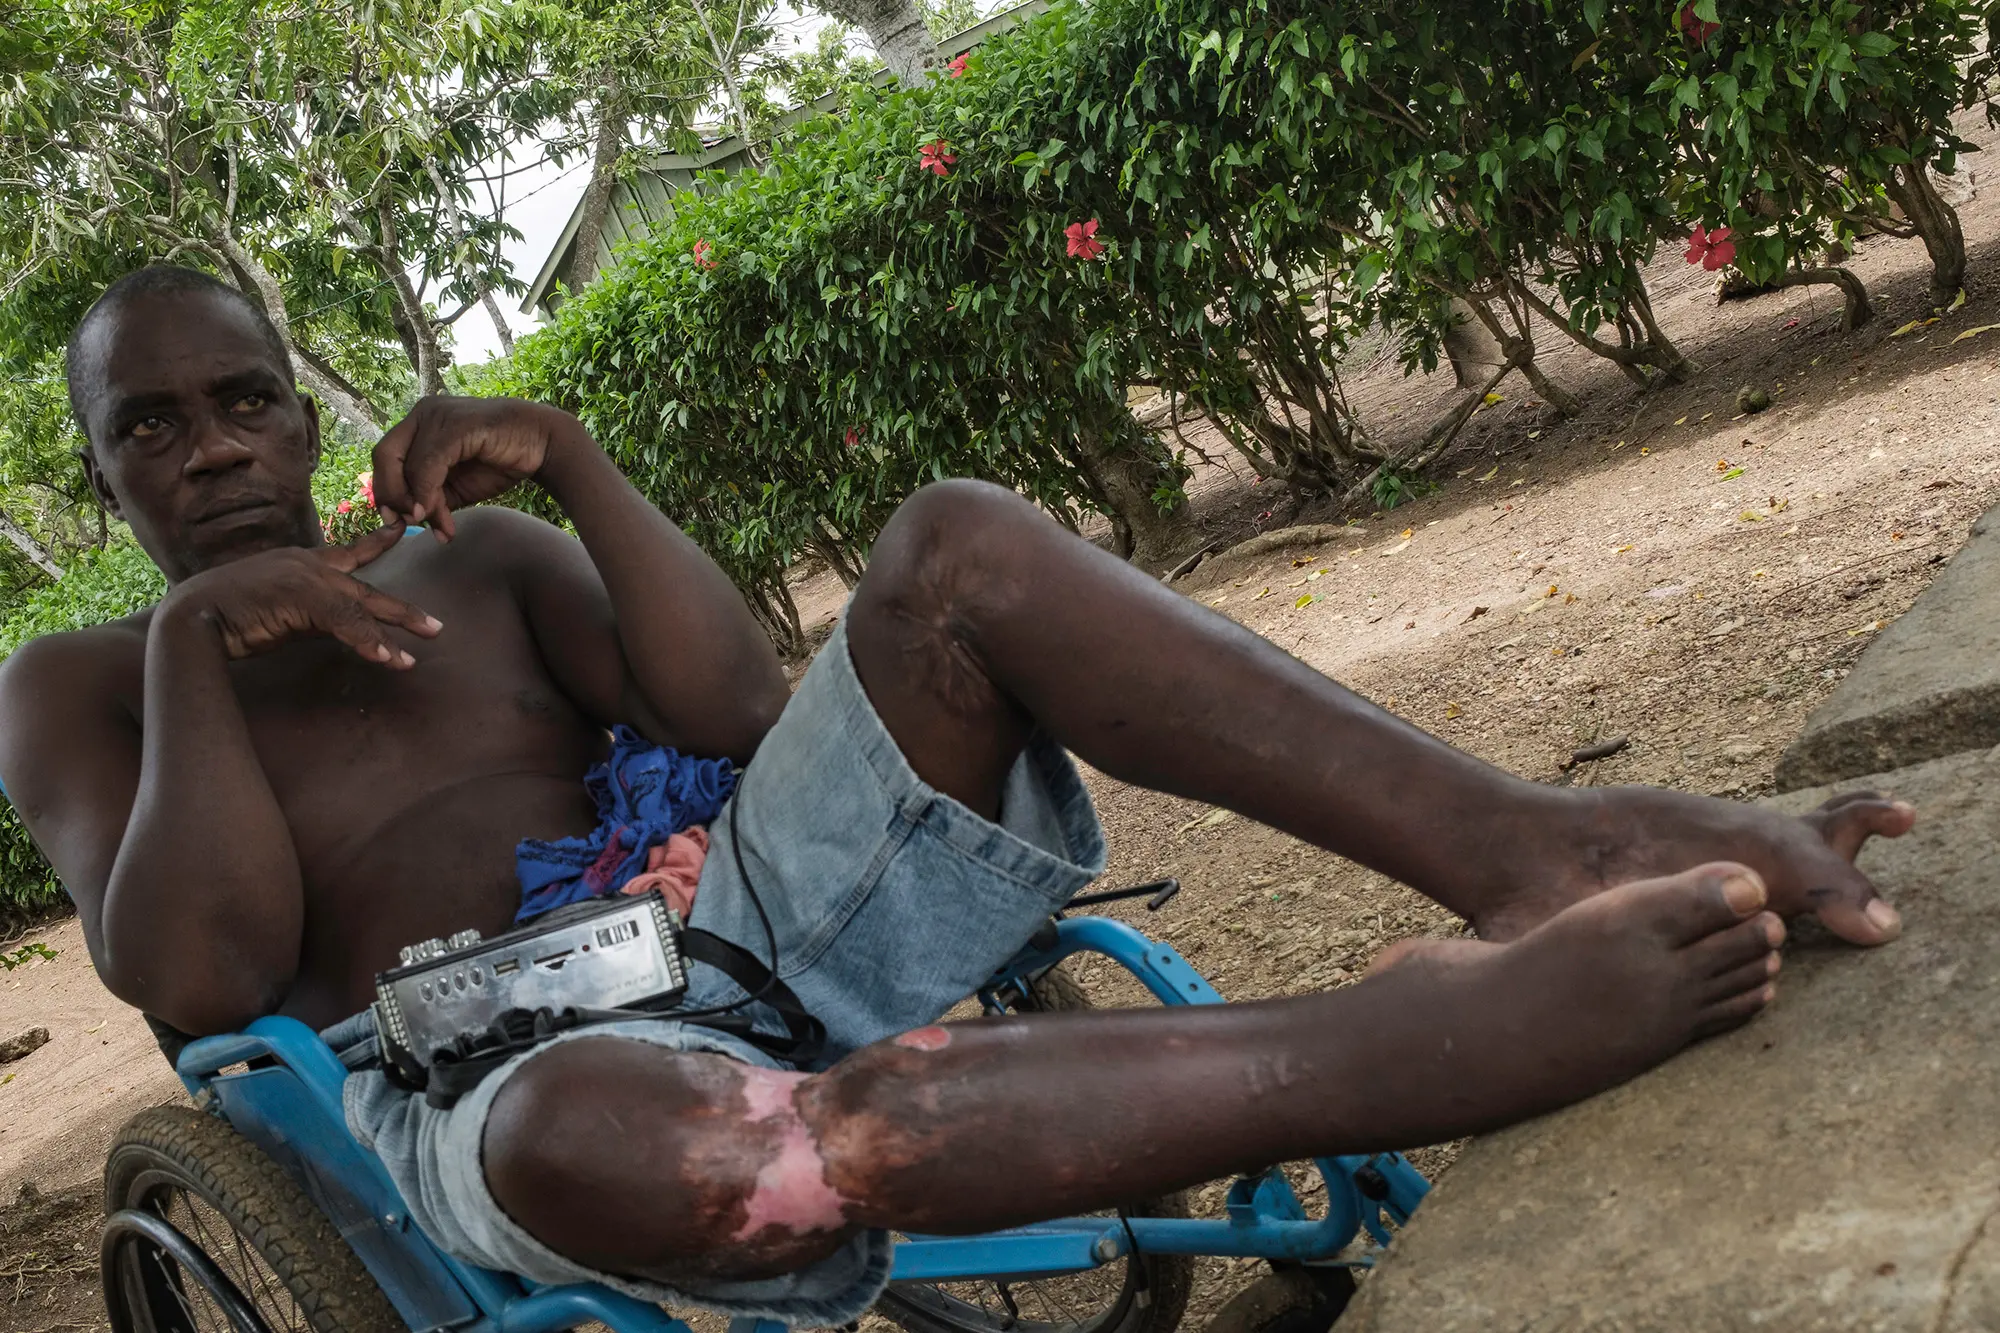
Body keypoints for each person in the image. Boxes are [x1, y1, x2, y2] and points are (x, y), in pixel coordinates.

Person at [0, 266, 1914, 1321]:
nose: (212, 450)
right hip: (480, 1070)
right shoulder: (82, 685)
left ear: (302, 409)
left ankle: (1540, 852)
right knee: (648, 1140)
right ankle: (1430, 1042)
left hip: (727, 911)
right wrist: (195, 655)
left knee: (959, 547)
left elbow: (743, 713)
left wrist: (573, 461)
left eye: (242, 399)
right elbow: (202, 972)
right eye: (150, 431)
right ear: (103, 478)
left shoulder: (472, 569)